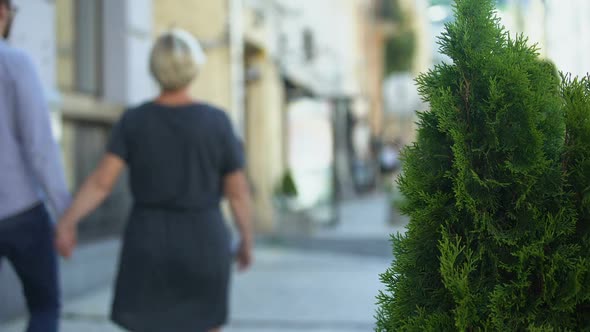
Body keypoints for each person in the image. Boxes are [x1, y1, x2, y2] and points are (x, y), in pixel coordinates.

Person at [55, 29, 254, 332]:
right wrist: (246, 241)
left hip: (148, 240)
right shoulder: (217, 122)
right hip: (204, 240)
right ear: (193, 68)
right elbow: (238, 194)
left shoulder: (134, 120)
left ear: (153, 69)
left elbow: (101, 183)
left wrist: (67, 222)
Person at [0, 1, 72, 331]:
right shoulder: (14, 63)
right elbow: (40, 147)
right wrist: (65, 214)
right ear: (1, 12)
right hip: (21, 211)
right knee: (44, 307)